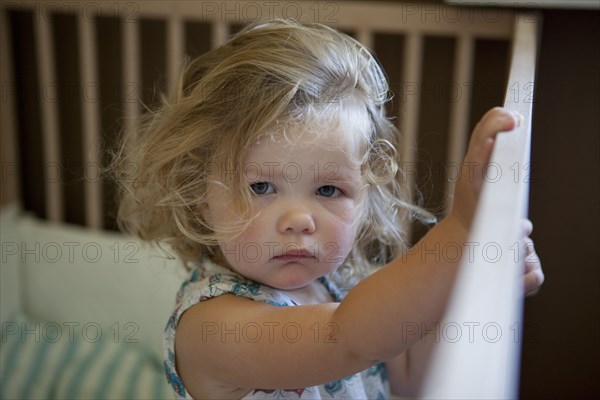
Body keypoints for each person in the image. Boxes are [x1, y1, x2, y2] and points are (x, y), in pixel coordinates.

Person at [114, 19, 544, 400]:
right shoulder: (212, 328)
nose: (300, 220)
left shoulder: (340, 285)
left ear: (364, 199)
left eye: (328, 189)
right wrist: (461, 231)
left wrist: (474, 285)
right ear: (200, 197)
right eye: (262, 186)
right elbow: (346, 338)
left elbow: (410, 378)